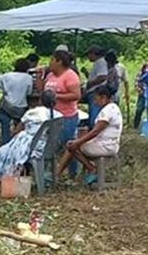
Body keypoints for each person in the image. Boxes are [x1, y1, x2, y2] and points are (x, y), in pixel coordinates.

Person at [56, 85, 122, 186]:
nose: (95, 102)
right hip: (109, 144)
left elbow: (95, 131)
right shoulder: (113, 108)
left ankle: (90, 169)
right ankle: (58, 173)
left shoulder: (108, 111)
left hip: (105, 146)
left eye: (96, 99)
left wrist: (79, 141)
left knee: (71, 146)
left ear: (103, 97)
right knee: (73, 144)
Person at [0, 92, 61, 181]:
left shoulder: (32, 113)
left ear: (40, 101)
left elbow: (17, 130)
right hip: (48, 147)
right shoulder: (59, 115)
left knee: (1, 152)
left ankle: (5, 178)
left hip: (33, 147)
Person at [45, 49, 83, 178]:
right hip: (51, 115)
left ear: (59, 61)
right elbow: (43, 91)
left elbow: (76, 95)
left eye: (52, 60)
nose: (50, 62)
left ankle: (72, 173)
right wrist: (40, 77)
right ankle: (51, 171)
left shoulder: (70, 75)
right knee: (51, 144)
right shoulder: (50, 76)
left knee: (68, 143)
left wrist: (57, 96)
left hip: (67, 116)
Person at [0, 55, 38, 144]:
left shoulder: (7, 76)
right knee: (21, 124)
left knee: (5, 122)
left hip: (7, 105)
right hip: (20, 107)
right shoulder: (28, 77)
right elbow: (29, 92)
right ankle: (18, 142)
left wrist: (4, 89)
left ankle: (5, 142)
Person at [83, 46, 109, 126]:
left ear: (94, 54)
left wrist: (90, 83)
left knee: (94, 115)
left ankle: (94, 129)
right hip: (93, 91)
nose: (88, 57)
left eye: (89, 55)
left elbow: (103, 77)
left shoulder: (100, 62)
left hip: (95, 91)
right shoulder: (98, 63)